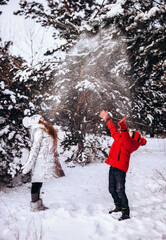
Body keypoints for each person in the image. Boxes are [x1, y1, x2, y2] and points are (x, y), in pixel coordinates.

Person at [99, 110, 147, 221]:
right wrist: (107, 119)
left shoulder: (130, 144)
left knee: (120, 190)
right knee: (111, 189)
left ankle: (126, 213)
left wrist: (122, 125)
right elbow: (113, 130)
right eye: (128, 132)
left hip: (120, 169)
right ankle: (118, 206)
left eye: (130, 134)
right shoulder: (121, 138)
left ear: (133, 138)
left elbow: (125, 136)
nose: (127, 133)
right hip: (113, 166)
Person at [22, 114, 65, 212]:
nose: (43, 118)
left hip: (44, 161)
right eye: (40, 118)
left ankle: (38, 204)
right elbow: (35, 148)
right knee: (36, 183)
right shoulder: (38, 131)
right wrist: (29, 164)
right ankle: (35, 207)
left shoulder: (44, 129)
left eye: (42, 117)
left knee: (39, 183)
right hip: (39, 161)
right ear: (36, 121)